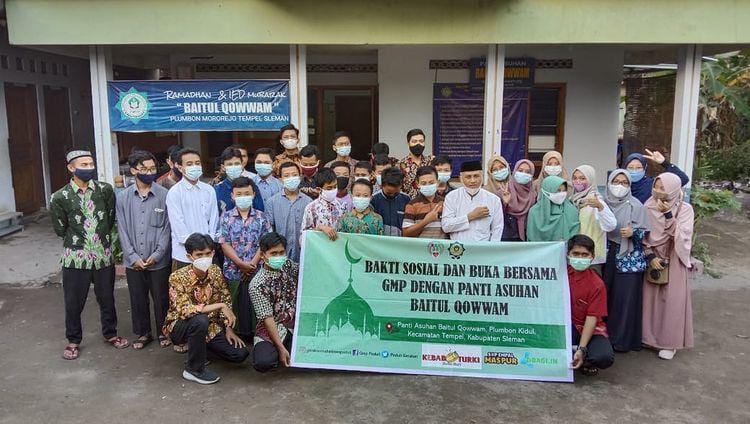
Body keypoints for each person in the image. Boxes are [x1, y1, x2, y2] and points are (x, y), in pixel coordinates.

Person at [50, 150, 128, 360]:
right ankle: (73, 340)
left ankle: (110, 334)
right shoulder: (60, 197)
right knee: (73, 302)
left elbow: (110, 219)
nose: (89, 168)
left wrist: (101, 243)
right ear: (71, 168)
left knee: (107, 298)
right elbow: (60, 228)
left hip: (103, 255)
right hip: (75, 258)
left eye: (91, 164)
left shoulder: (104, 190)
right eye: (83, 165)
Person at [163, 233, 248, 384]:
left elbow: (225, 298)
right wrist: (220, 306)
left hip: (211, 326)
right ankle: (194, 369)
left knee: (240, 354)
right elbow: (185, 310)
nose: (204, 258)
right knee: (199, 320)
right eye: (199, 255)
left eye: (208, 253)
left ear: (213, 253)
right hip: (180, 326)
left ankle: (202, 347)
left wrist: (228, 329)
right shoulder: (177, 277)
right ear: (190, 256)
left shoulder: (215, 271)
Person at [116, 151, 172, 350]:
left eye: (152, 169)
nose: (149, 172)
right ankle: (143, 333)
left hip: (159, 260)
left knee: (162, 298)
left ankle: (164, 331)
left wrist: (157, 254)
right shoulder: (123, 197)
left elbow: (167, 228)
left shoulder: (164, 195)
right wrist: (132, 256)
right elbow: (122, 229)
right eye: (144, 169)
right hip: (134, 261)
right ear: (133, 170)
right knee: (138, 298)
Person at [642, 172, 694, 360]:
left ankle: (669, 343)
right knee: (650, 301)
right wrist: (649, 254)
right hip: (653, 257)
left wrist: (668, 214)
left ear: (673, 189)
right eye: (656, 187)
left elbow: (683, 235)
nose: (658, 191)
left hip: (674, 256)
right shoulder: (648, 205)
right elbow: (643, 233)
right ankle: (648, 338)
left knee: (672, 301)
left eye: (663, 188)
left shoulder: (685, 209)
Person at [602, 169, 651, 352]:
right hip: (605, 255)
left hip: (628, 256)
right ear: (609, 183)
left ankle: (621, 340)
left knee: (624, 299)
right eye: (616, 182)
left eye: (624, 183)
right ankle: (603, 338)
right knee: (606, 296)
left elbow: (645, 234)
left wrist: (634, 233)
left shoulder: (636, 206)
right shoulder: (602, 203)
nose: (620, 186)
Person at [219, 177, 271, 340]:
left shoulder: (262, 217)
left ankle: (257, 333)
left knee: (256, 301)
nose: (243, 197)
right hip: (233, 270)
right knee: (235, 300)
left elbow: (265, 243)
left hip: (257, 269)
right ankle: (235, 332)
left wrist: (253, 263)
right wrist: (240, 263)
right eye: (239, 194)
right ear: (232, 196)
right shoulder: (226, 217)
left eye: (247, 193)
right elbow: (224, 243)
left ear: (253, 194)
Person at [249, 232, 299, 372]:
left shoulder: (287, 265)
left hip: (294, 324)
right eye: (273, 253)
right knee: (263, 362)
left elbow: (304, 270)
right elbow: (268, 319)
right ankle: (280, 349)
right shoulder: (257, 285)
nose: (278, 257)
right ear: (262, 255)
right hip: (271, 329)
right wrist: (280, 348)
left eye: (281, 252)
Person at [567, 234, 615, 376]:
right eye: (576, 254)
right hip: (566, 327)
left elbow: (592, 318)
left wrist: (582, 349)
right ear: (568, 255)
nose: (580, 258)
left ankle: (583, 358)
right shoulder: (560, 275)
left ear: (592, 257)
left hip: (590, 329)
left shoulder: (597, 284)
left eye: (584, 255)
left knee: (603, 357)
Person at [166, 148, 220, 270]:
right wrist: (195, 248)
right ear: (180, 167)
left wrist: (208, 243)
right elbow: (177, 224)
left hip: (207, 254)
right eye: (189, 164)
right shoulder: (175, 192)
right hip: (184, 255)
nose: (194, 166)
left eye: (197, 163)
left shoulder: (209, 190)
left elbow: (214, 219)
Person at [441, 160, 504, 241]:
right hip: (458, 247)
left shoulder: (494, 200)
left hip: (484, 247)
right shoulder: (452, 197)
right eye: (468, 177)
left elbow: (497, 229)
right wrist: (470, 217)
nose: (473, 181)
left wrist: (491, 248)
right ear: (461, 178)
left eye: (476, 176)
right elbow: (446, 226)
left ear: (482, 176)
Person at [570, 165, 617, 269]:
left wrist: (600, 207)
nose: (578, 181)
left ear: (590, 180)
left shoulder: (596, 201)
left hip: (591, 258)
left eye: (582, 178)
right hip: (574, 256)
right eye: (575, 178)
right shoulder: (572, 200)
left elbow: (611, 225)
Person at [265, 162, 312, 262]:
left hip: (303, 254)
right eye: (286, 176)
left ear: (300, 177)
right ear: (280, 179)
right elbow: (269, 230)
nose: (291, 178)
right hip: (280, 255)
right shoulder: (272, 202)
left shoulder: (308, 202)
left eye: (294, 175)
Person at [623, 149, 690, 203]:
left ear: (645, 168)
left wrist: (664, 163)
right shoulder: (620, 184)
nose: (634, 170)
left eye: (639, 168)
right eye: (630, 168)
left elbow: (683, 179)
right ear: (625, 168)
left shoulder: (653, 185)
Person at [526, 175, 580, 242]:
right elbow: (531, 237)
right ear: (547, 190)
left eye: (564, 190)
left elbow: (575, 234)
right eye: (558, 190)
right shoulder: (534, 212)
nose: (562, 194)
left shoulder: (571, 210)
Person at [301, 168, 348, 241]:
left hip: (338, 246)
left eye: (335, 186)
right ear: (319, 189)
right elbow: (303, 237)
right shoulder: (311, 208)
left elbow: (347, 232)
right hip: (320, 247)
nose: (333, 190)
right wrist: (320, 228)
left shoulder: (343, 205)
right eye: (329, 188)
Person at [214, 147, 264, 215]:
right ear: (223, 167)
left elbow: (260, 211)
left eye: (237, 164)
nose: (233, 167)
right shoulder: (217, 189)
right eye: (229, 164)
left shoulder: (252, 186)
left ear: (242, 165)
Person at [402, 165, 447, 239]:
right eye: (423, 183)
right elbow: (406, 233)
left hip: (441, 245)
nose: (428, 185)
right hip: (420, 246)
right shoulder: (412, 205)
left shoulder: (445, 202)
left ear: (438, 182)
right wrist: (426, 221)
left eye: (431, 183)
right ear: (417, 184)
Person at [485, 155, 520, 241]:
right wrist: (504, 203)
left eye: (501, 167)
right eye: (495, 170)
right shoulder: (486, 191)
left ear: (507, 167)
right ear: (490, 173)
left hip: (517, 233)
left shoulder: (517, 187)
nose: (499, 171)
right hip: (494, 235)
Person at [370, 167, 410, 236]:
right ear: (382, 185)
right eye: (389, 193)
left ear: (400, 185)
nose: (392, 195)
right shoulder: (374, 199)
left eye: (396, 192)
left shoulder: (406, 199)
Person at [505, 159, 537, 241]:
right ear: (514, 171)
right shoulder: (505, 192)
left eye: (528, 172)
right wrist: (504, 203)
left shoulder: (534, 196)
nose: (523, 174)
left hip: (527, 235)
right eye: (520, 170)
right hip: (507, 238)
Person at [398, 128, 434, 198]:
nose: (418, 144)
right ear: (408, 143)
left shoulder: (430, 162)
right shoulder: (401, 164)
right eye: (414, 141)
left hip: (428, 201)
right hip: (408, 202)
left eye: (421, 141)